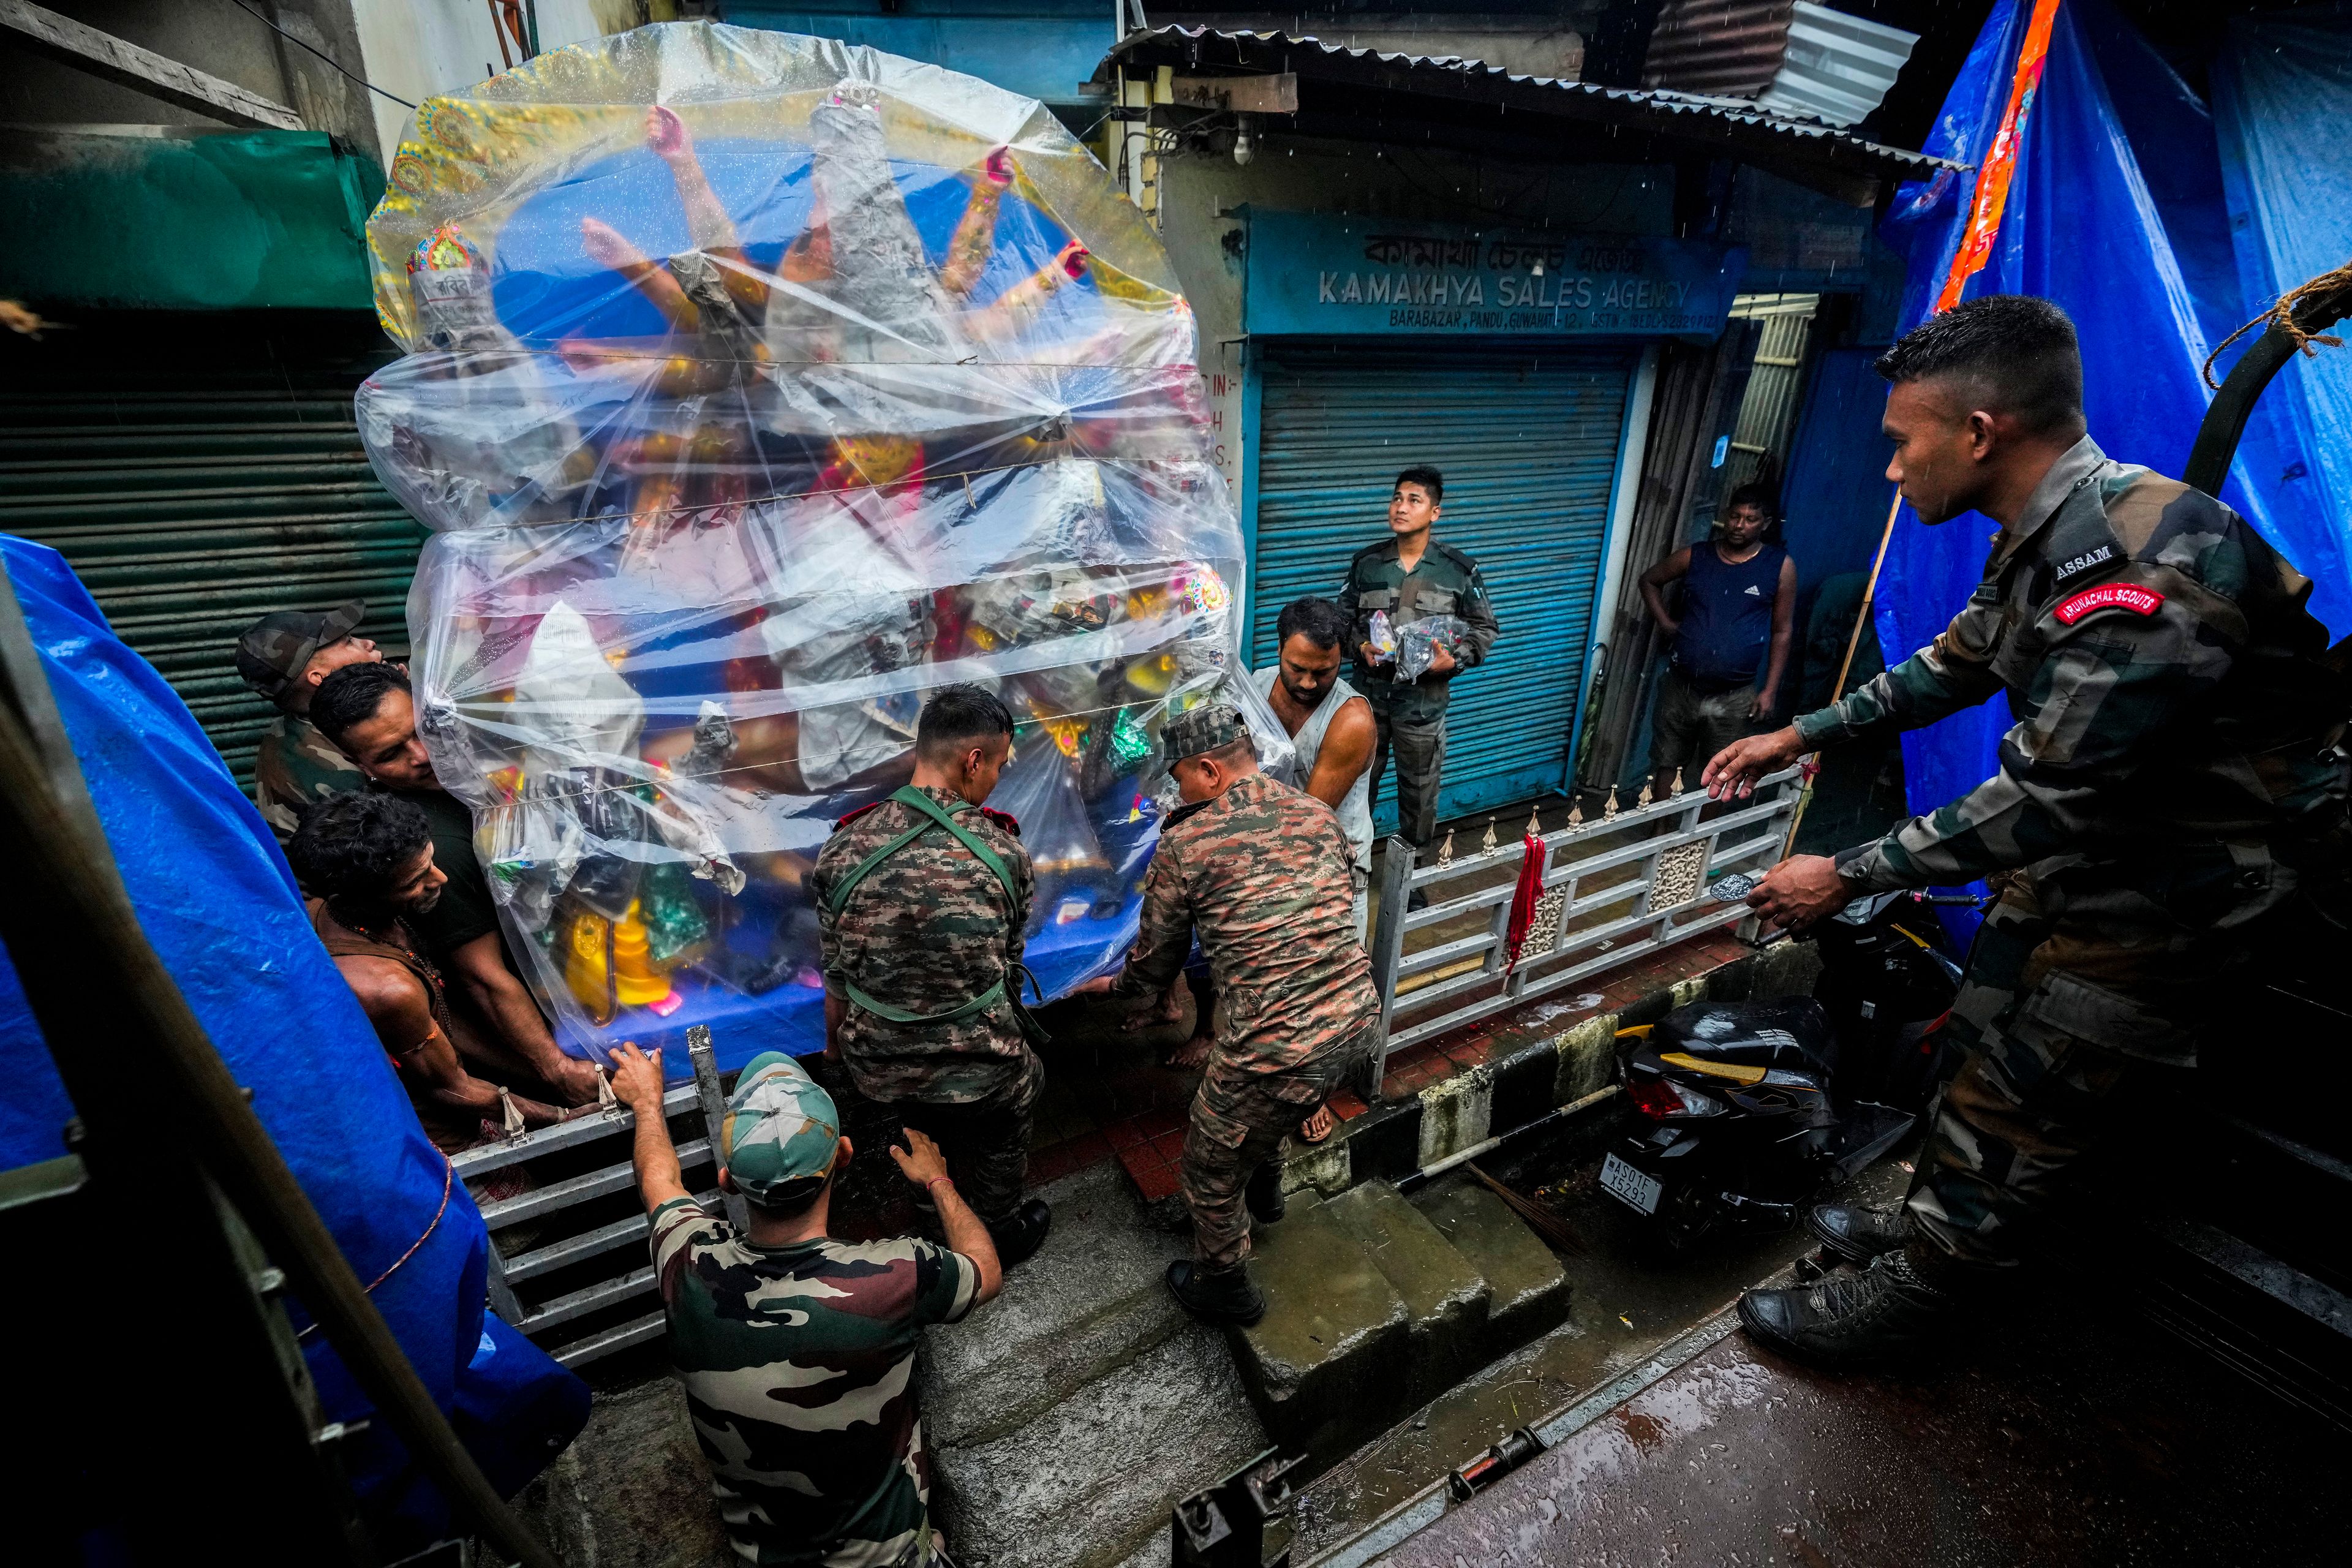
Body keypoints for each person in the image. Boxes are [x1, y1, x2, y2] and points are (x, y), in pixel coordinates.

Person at [1705, 295, 2346, 1365]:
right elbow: (1956, 661)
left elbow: (2052, 793)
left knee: (2026, 1093)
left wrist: (1848, 874)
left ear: (1979, 433)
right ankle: (1929, 1216)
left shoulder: (2150, 561)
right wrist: (1801, 733)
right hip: (2080, 859)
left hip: (2167, 891)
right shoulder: (2049, 535)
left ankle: (1925, 1294)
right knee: (1974, 1037)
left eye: (1903, 445)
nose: (1892, 471)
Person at [611, 1041, 999, 1568]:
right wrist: (936, 1179)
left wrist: (647, 1105)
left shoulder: (685, 1262)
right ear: (843, 1154)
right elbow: (984, 1270)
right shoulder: (899, 1276)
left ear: (727, 1180)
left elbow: (658, 1179)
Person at [1108, 704, 1381, 1325]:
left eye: (1179, 778)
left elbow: (1155, 962)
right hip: (1358, 1020)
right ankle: (1267, 1190)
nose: (1177, 792)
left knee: (1209, 1158)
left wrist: (1119, 994)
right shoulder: (1316, 813)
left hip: (1278, 1046)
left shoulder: (1187, 842)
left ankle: (1224, 1286)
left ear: (1208, 769)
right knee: (1264, 1095)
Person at [810, 683, 1055, 1266]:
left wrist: (835, 1057)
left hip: (881, 1070)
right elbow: (1008, 970)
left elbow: (837, 979)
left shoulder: (841, 851)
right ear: (973, 761)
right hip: (982, 1068)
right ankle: (996, 1226)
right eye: (997, 765)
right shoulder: (1004, 852)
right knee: (1021, 1091)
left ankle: (927, 1223)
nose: (996, 779)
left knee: (912, 1120)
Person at [311, 662, 603, 1107]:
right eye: (391, 754)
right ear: (359, 764)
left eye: (421, 731)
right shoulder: (428, 845)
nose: (420, 755)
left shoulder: (476, 765)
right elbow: (482, 978)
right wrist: (559, 1070)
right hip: (544, 1026)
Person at [290, 793, 578, 1152]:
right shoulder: (388, 989)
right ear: (362, 896)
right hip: (427, 1138)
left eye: (431, 860)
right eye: (414, 881)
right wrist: (565, 1118)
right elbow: (455, 1089)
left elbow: (442, 1025)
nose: (439, 878)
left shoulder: (328, 910)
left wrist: (546, 1072)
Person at [1338, 466, 1499, 893]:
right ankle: (1349, 868)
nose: (1401, 507)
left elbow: (1484, 628)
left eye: (1414, 500)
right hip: (1367, 702)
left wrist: (1456, 660)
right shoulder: (1368, 564)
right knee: (1357, 787)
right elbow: (1342, 620)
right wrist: (1359, 648)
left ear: (1435, 512)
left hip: (1422, 705)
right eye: (1396, 498)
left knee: (1419, 794)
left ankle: (1410, 880)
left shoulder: (1457, 571)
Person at [1638, 483, 1798, 800]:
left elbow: (1783, 631)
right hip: (1681, 686)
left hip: (1734, 694)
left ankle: (1698, 845)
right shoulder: (1695, 556)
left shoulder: (1779, 567)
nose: (1739, 525)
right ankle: (1658, 835)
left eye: (1750, 519)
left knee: (1723, 770)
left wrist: (1769, 691)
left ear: (1765, 523)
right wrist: (1667, 624)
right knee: (1666, 762)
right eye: (1735, 517)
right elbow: (1649, 580)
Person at [236, 601, 382, 842]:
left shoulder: (294, 729)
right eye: (349, 642)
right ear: (320, 677)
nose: (368, 643)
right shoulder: (334, 771)